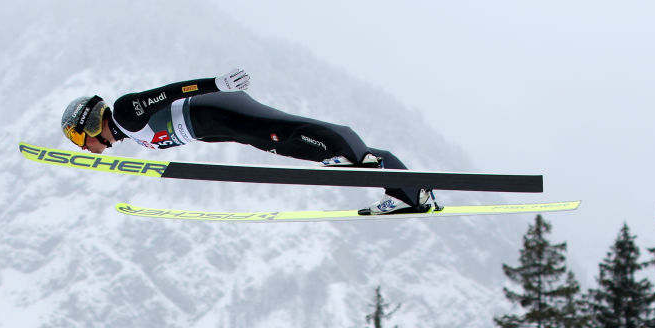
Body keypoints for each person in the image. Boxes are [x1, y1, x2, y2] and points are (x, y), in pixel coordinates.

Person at [60, 68, 433, 214]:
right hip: (217, 123)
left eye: (79, 140)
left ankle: (370, 163)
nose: (83, 147)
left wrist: (215, 84)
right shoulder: (129, 131)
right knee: (284, 143)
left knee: (285, 132)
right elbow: (180, 128)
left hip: (218, 107)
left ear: (87, 125)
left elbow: (171, 92)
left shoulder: (125, 112)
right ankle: (405, 190)